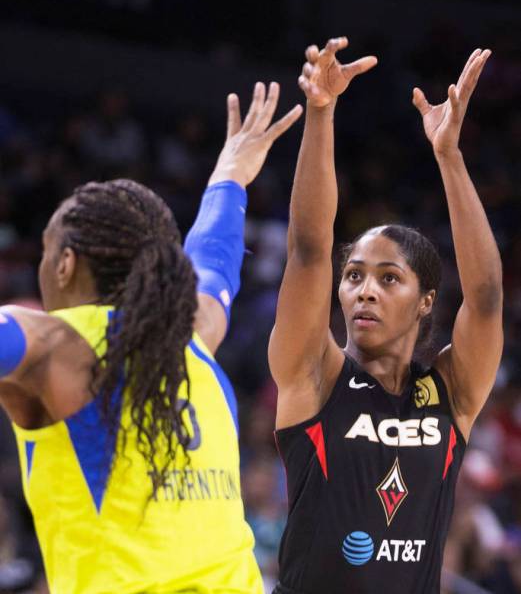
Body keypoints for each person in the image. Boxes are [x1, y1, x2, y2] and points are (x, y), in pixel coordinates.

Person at [0, 81, 303, 594]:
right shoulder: (194, 334)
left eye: (46, 256)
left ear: (66, 264)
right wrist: (230, 177)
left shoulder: (53, 345)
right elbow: (214, 268)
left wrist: (230, 177)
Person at [269, 37, 503, 594]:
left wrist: (449, 156)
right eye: (353, 276)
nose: (364, 292)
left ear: (427, 301)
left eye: (388, 278)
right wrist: (320, 115)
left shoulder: (453, 389)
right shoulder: (315, 374)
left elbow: (487, 296)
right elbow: (307, 246)